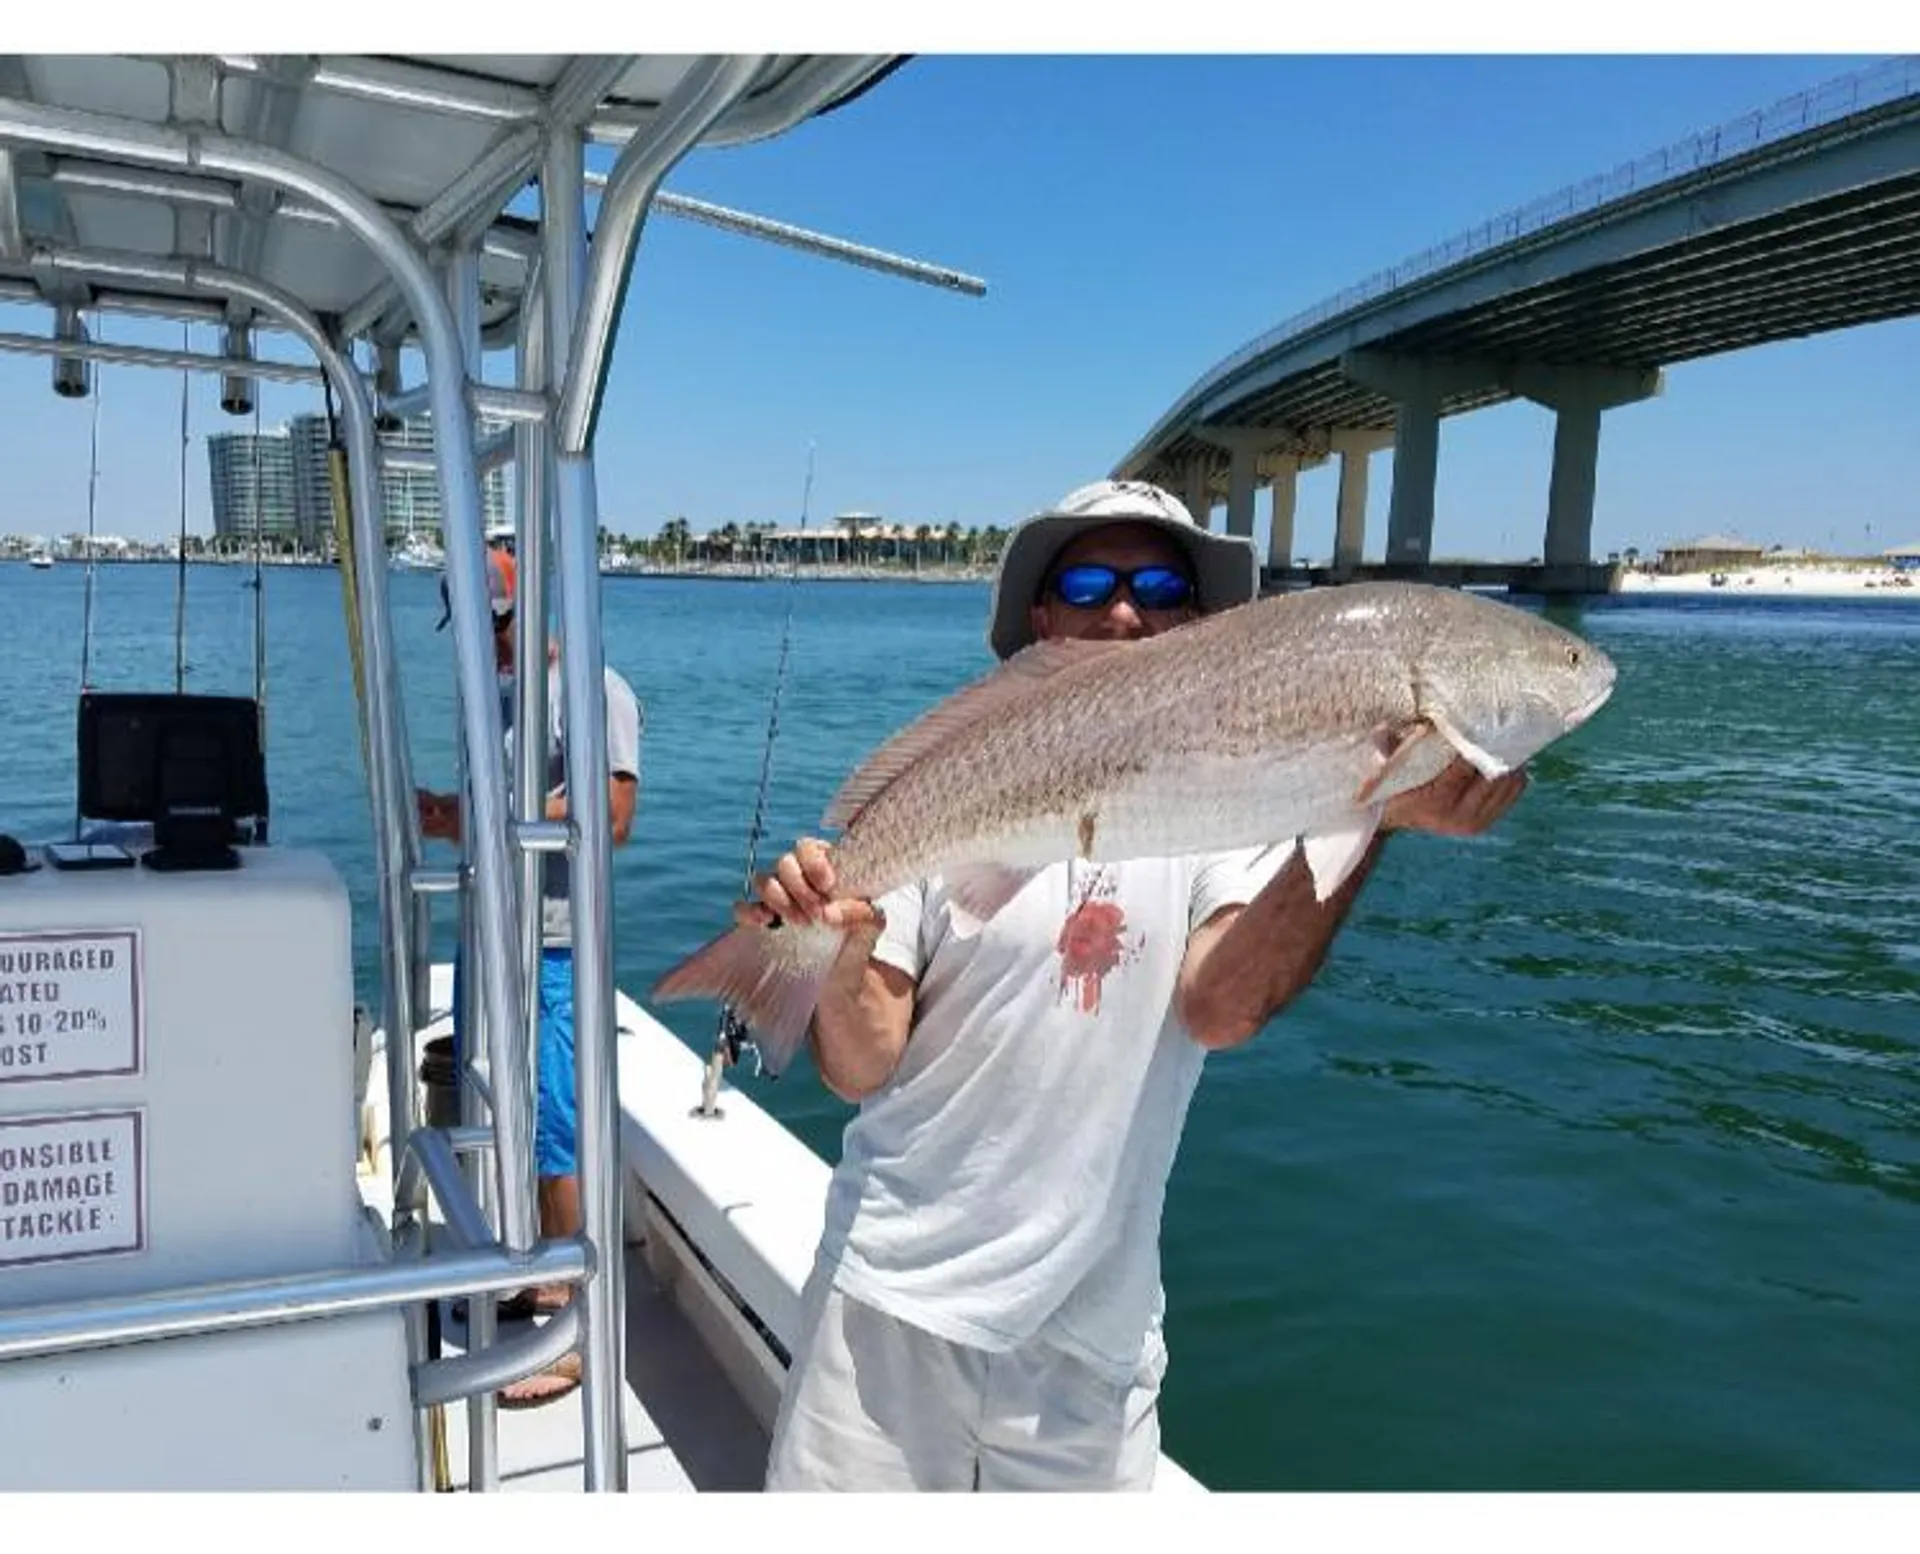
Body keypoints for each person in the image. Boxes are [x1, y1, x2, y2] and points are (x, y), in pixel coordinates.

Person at [743, 479, 1527, 1491]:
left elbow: (1223, 1005)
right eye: (1088, 583)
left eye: (1161, 585)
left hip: (1092, 1347)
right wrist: (833, 952)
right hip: (889, 1308)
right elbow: (859, 1066)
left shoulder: (1241, 809)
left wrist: (1376, 808)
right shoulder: (949, 777)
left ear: (1198, 624)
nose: (1125, 610)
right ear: (1040, 618)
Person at [415, 544, 644, 1408]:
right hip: (495, 936)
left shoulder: (596, 689)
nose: (490, 639)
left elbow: (612, 814)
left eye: (501, 619)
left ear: (532, 606)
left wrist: (502, 818)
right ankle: (538, 1274)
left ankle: (579, 1332)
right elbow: (505, 822)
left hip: (554, 942)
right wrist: (454, 820)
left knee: (553, 1115)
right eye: (474, 624)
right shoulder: (496, 696)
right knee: (496, 1102)